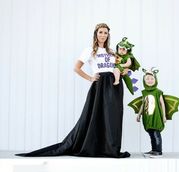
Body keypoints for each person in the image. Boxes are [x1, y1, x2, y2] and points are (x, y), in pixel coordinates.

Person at [16, 23, 130, 158]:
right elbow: (76, 68)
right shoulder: (89, 50)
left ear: (108, 35)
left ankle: (110, 148)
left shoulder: (111, 52)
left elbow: (118, 67)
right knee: (94, 116)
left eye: (105, 33)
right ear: (96, 34)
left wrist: (124, 71)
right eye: (100, 32)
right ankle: (93, 147)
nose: (103, 35)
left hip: (114, 85)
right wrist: (90, 78)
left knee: (112, 117)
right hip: (99, 85)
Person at [128, 68, 179, 158]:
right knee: (151, 133)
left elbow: (162, 104)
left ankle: (158, 151)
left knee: (156, 133)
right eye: (147, 79)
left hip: (156, 116)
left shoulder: (158, 92)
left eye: (152, 79)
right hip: (147, 116)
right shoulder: (144, 92)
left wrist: (164, 116)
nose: (150, 81)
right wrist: (139, 114)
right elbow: (143, 104)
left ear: (155, 80)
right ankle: (153, 150)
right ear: (144, 81)